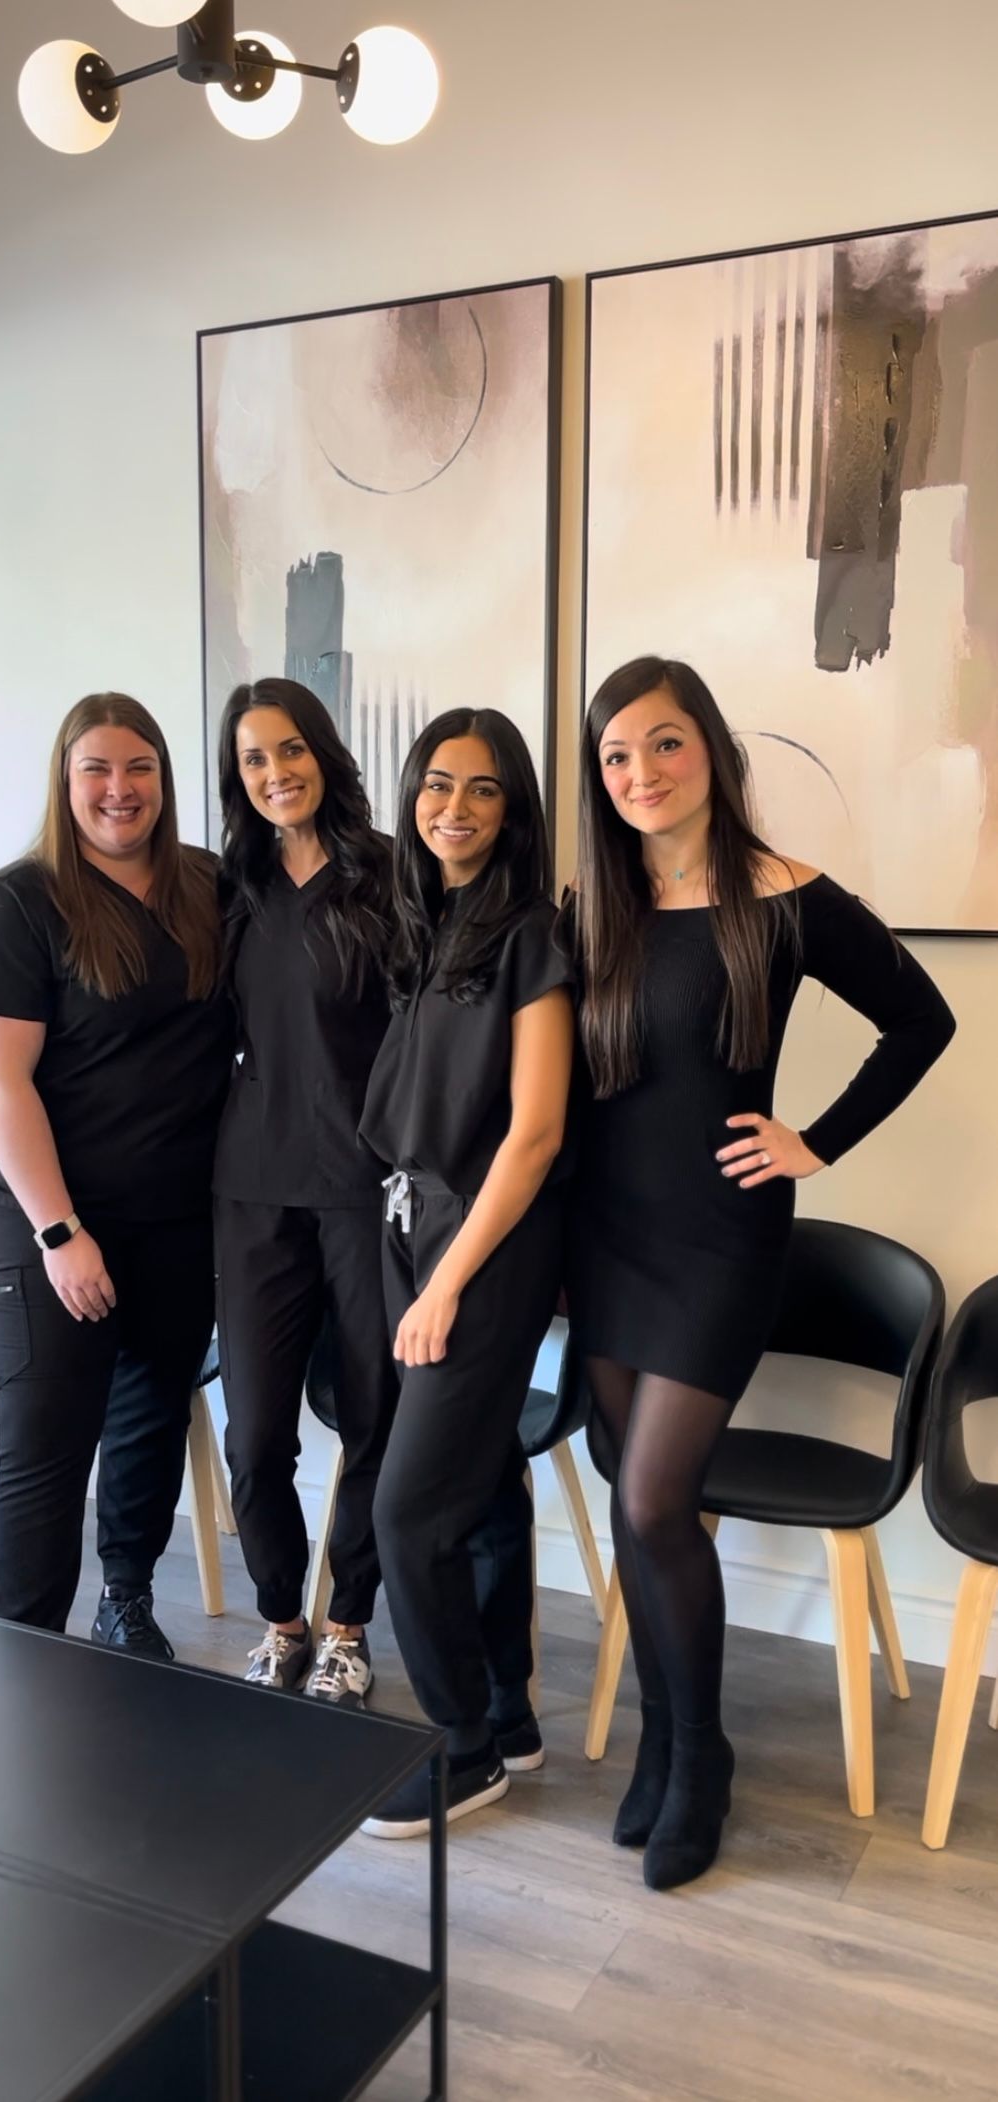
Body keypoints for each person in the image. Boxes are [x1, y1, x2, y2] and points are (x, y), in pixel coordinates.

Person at [566, 654, 956, 1890]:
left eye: (664, 744)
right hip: (606, 1238)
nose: (640, 773)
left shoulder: (785, 894)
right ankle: (663, 1740)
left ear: (710, 751)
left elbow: (923, 1019)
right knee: (626, 1479)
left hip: (721, 1242)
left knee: (653, 1499)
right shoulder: (597, 902)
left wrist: (815, 1139)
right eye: (617, 755)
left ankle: (704, 1754)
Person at [0, 692, 231, 1658]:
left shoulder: (209, 889)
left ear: (165, 778)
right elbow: (0, 1082)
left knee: (150, 1418)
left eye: (139, 767)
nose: (120, 790)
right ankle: (23, 1656)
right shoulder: (16, 903)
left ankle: (126, 1603)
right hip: (43, 1224)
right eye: (97, 770)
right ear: (65, 783)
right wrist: (61, 1233)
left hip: (174, 1218)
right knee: (45, 1448)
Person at [357, 708, 574, 1838]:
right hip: (412, 1222)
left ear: (515, 808)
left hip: (484, 1241)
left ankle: (461, 1745)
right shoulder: (426, 922)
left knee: (408, 1510)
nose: (455, 806)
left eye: (484, 789)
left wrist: (447, 1282)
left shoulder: (531, 934)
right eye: (438, 784)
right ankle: (509, 1712)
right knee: (482, 1480)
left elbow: (534, 1134)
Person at [213, 677, 397, 1706]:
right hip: (250, 1191)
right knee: (256, 1433)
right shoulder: (226, 884)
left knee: (373, 1413)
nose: (275, 771)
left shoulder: (387, 877)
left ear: (322, 752)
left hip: (367, 1192)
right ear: (237, 775)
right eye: (252, 758)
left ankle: (347, 1625)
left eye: (289, 749)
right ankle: (282, 1616)